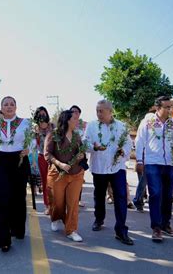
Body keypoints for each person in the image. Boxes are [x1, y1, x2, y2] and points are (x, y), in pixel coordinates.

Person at [135, 96, 173, 242]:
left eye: (171, 107)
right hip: (152, 163)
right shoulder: (147, 122)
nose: (170, 109)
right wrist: (140, 160)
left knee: (168, 197)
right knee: (156, 194)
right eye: (167, 107)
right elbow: (139, 141)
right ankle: (156, 228)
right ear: (157, 108)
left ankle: (166, 224)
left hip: (170, 165)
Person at [84, 100, 134, 245]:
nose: (98, 114)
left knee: (121, 197)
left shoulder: (121, 126)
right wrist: (94, 147)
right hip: (99, 167)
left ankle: (121, 230)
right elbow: (85, 143)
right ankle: (99, 219)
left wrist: (123, 151)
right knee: (99, 195)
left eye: (101, 111)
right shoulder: (92, 126)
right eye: (97, 110)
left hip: (117, 167)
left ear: (110, 111)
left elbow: (127, 143)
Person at [0, 96, 31, 252]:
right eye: (6, 104)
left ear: (16, 107)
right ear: (1, 108)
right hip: (1, 162)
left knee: (18, 197)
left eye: (12, 104)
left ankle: (18, 229)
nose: (9, 107)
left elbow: (32, 141)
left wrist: (29, 149)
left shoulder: (26, 123)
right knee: (2, 198)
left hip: (19, 161)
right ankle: (3, 239)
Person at [45, 110, 85, 242]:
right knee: (57, 201)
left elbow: (81, 151)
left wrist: (81, 156)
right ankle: (56, 217)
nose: (77, 121)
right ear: (68, 120)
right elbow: (48, 154)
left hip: (76, 173)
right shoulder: (53, 135)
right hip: (57, 174)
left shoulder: (77, 136)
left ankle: (71, 230)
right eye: (74, 118)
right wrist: (60, 164)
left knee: (73, 203)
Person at [33, 106, 55, 215]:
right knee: (45, 182)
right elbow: (32, 145)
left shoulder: (53, 127)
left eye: (44, 113)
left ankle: (56, 205)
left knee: (55, 182)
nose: (42, 116)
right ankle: (48, 205)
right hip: (41, 157)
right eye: (40, 114)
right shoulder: (35, 129)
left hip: (53, 157)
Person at [69, 105, 88, 208]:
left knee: (79, 178)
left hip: (80, 155)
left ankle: (78, 199)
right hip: (68, 155)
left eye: (76, 111)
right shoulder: (67, 124)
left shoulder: (83, 126)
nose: (74, 113)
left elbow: (86, 140)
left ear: (79, 113)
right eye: (72, 111)